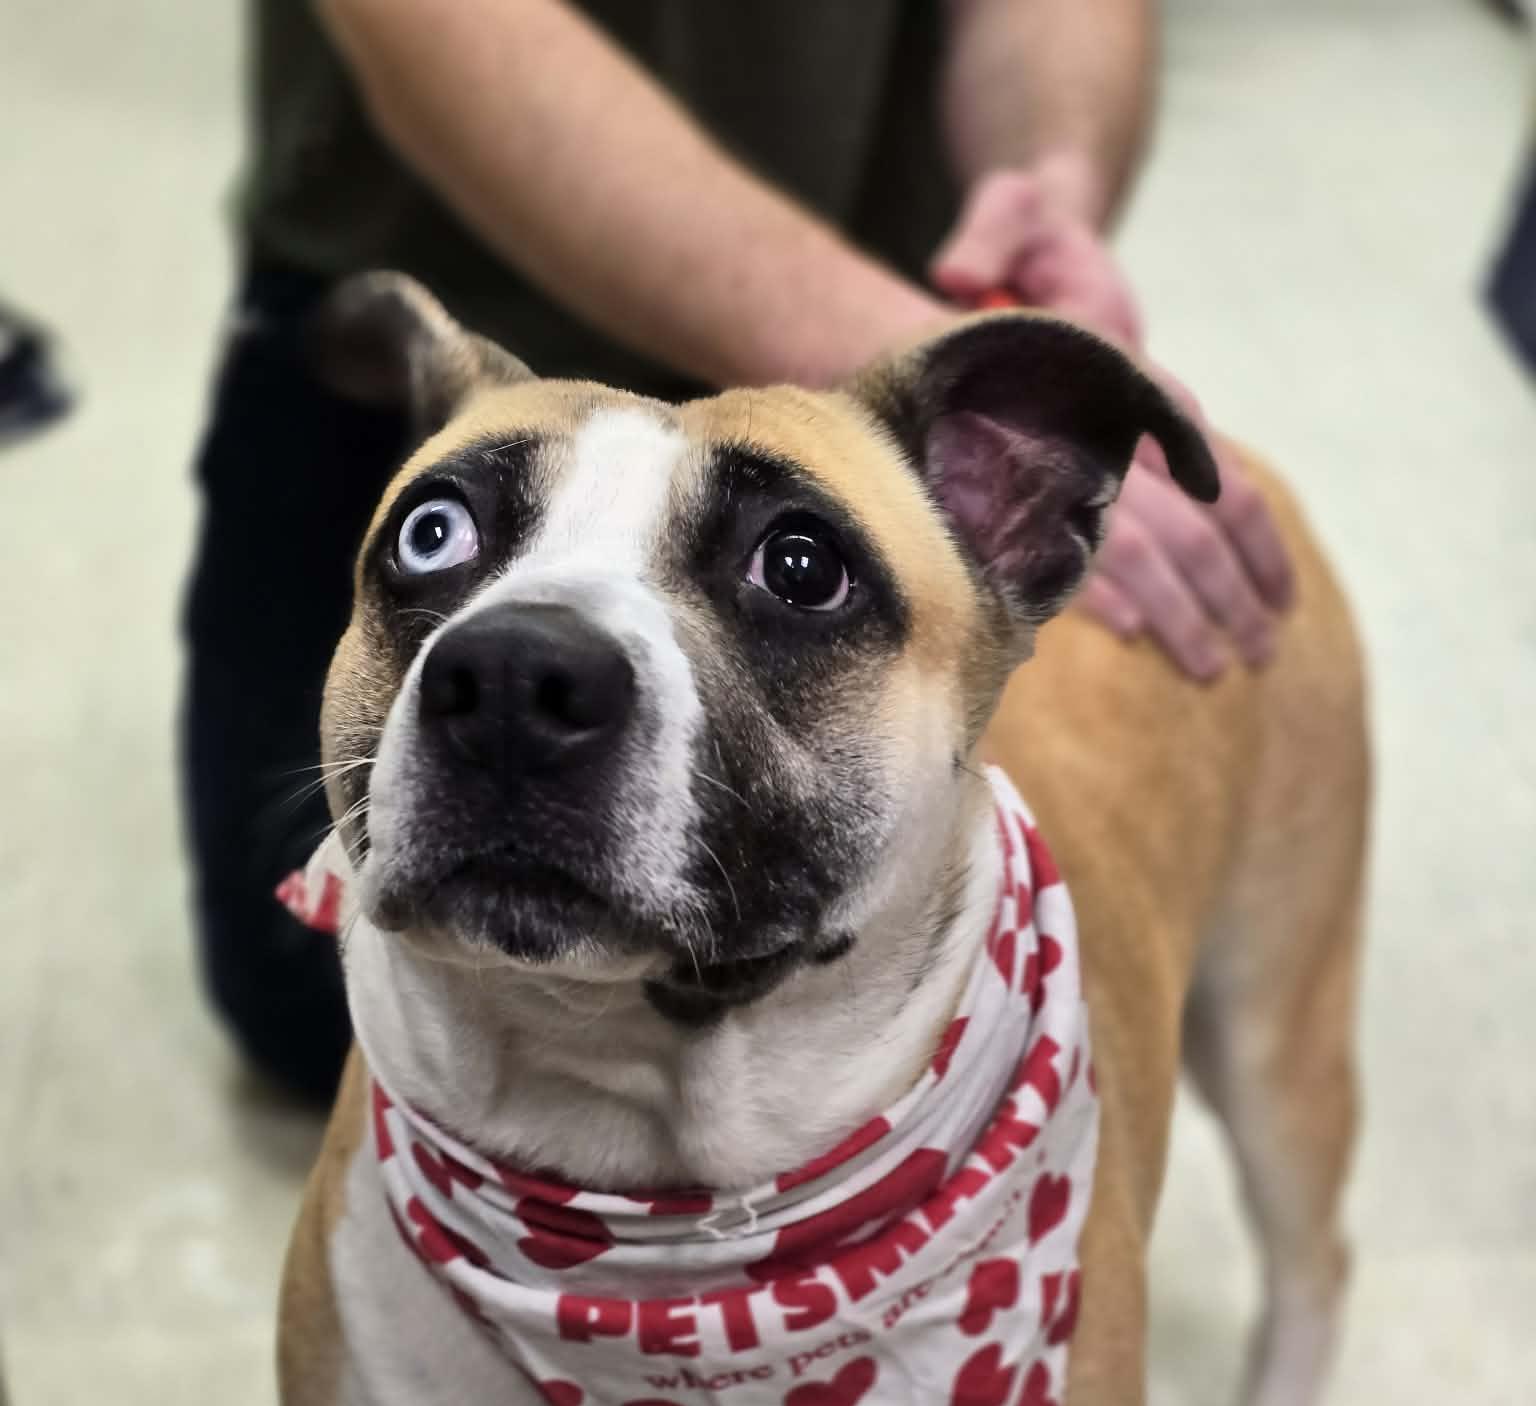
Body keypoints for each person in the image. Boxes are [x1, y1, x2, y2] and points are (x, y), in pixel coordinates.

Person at [184, 0, 1294, 1104]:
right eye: (439, 536)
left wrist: (1047, 181)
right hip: (436, 235)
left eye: (798, 571)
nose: (521, 672)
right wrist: (857, 381)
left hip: (878, 263)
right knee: (296, 1012)